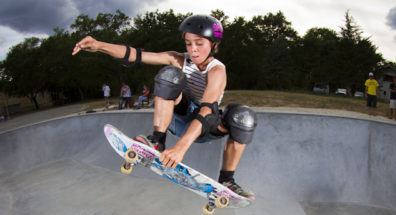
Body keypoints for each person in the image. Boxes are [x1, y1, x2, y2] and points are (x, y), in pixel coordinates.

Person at [72, 14, 257, 198]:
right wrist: (99, 46)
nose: (193, 50)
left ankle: (227, 180)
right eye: (188, 43)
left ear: (214, 44)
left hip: (204, 127)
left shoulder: (217, 70)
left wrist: (180, 148)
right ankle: (157, 141)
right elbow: (136, 55)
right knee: (170, 74)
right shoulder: (178, 59)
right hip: (180, 117)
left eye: (199, 43)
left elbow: (207, 111)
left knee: (243, 116)